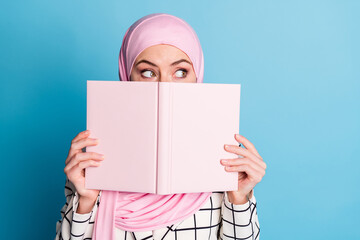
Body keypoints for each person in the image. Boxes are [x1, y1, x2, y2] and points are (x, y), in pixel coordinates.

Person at [55, 13, 266, 240]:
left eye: (180, 72)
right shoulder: (94, 159)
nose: (165, 86)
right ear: (127, 76)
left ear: (197, 76)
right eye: (148, 72)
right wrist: (85, 201)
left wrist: (239, 199)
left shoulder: (223, 162)